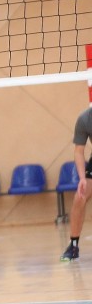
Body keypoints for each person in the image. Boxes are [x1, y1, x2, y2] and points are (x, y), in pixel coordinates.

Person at [63, 106, 92, 261]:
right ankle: (73, 246)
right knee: (80, 197)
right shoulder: (85, 118)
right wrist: (82, 178)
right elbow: (79, 151)